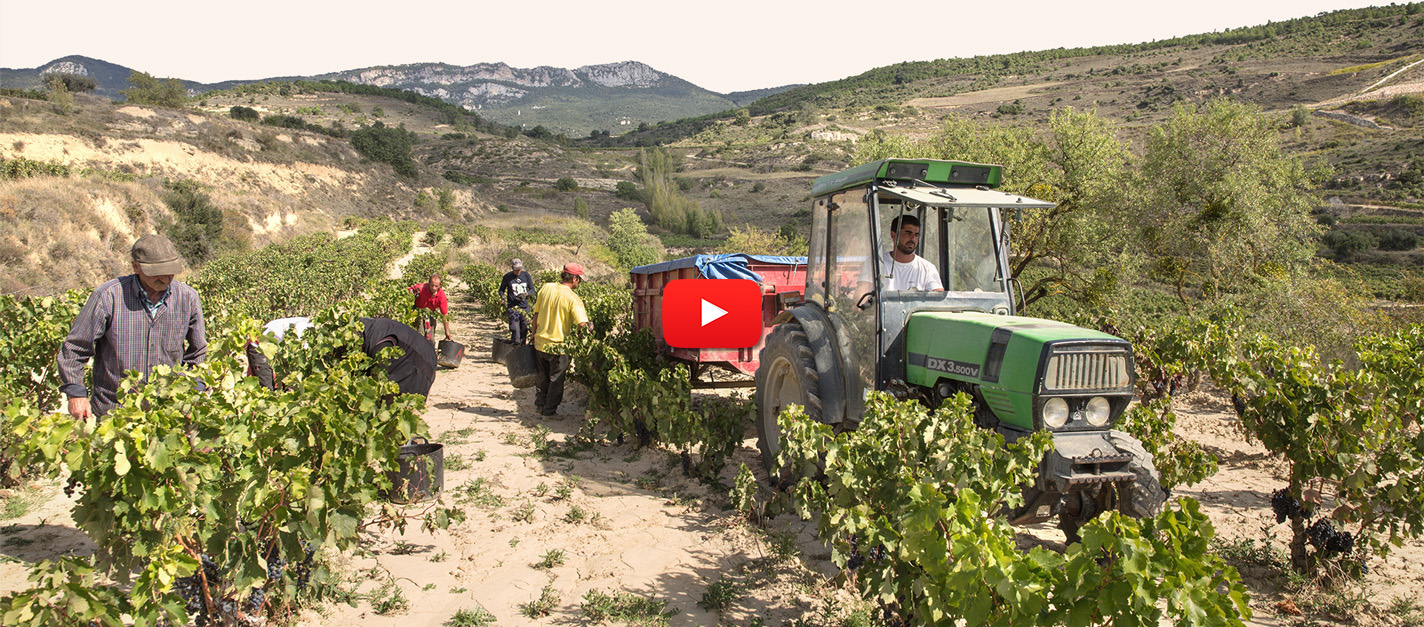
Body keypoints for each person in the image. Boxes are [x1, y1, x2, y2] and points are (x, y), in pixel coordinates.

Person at [57, 234, 207, 420]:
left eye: (170, 271)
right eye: (156, 272)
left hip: (167, 413)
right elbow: (75, 349)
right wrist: (76, 394)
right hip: (113, 414)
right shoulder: (108, 297)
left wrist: (194, 393)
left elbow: (198, 353)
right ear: (136, 266)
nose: (165, 277)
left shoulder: (188, 298)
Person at [245, 316, 437, 397]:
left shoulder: (311, 337)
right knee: (266, 394)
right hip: (261, 344)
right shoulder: (308, 337)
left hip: (272, 344)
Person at [530, 263, 591, 417]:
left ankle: (539, 406)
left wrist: (533, 334)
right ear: (575, 279)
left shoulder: (546, 288)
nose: (579, 283)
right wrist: (584, 339)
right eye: (579, 280)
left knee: (542, 378)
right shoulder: (572, 298)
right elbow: (582, 324)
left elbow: (536, 315)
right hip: (558, 346)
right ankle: (549, 412)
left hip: (540, 342)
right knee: (556, 380)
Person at [861, 213, 944, 293]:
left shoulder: (927, 268)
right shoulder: (876, 263)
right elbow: (861, 296)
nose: (913, 238)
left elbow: (939, 301)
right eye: (908, 233)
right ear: (894, 235)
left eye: (916, 235)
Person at [498, 258, 534, 344]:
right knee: (515, 330)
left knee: (524, 329)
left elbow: (532, 289)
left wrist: (526, 294)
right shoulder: (507, 277)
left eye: (519, 269)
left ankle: (522, 349)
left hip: (524, 307)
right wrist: (503, 297)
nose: (518, 271)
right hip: (512, 307)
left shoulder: (526, 275)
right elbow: (501, 290)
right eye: (516, 270)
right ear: (512, 268)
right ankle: (514, 348)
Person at [407, 273, 451, 342]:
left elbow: (444, 315)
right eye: (432, 285)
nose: (433, 288)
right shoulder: (420, 288)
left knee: (431, 338)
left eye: (436, 286)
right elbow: (407, 292)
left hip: (431, 313)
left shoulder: (442, 296)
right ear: (429, 283)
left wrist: (447, 332)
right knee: (419, 335)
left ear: (440, 285)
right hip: (418, 313)